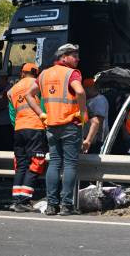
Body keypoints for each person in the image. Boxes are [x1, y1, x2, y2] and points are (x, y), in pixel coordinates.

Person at [26, 44, 86, 216]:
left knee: (54, 163)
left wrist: (41, 114)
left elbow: (29, 95)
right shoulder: (71, 73)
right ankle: (67, 205)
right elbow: (80, 92)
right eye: (74, 55)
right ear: (64, 57)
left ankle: (52, 205)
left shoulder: (44, 73)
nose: (78, 58)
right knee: (70, 164)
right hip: (70, 125)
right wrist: (82, 115)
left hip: (51, 126)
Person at [8, 62, 46, 212]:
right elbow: (43, 105)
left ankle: (16, 200)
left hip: (19, 129)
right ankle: (24, 199)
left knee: (21, 165)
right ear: (37, 73)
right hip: (35, 128)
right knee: (36, 163)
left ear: (22, 74)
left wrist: (17, 124)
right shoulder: (38, 84)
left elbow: (12, 113)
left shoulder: (13, 89)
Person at [82, 78, 110, 154]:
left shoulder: (100, 100)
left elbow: (99, 121)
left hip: (97, 139)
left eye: (84, 89)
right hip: (90, 138)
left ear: (89, 88)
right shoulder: (89, 100)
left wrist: (91, 139)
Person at [0, 72, 15, 152]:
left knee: (7, 145)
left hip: (7, 123)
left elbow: (1, 104)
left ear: (4, 79)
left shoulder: (10, 89)